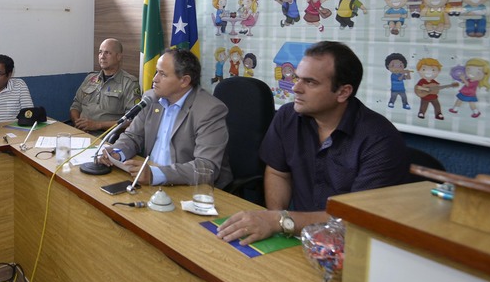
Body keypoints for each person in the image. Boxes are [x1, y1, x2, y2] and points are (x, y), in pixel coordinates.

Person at [216, 41, 408, 245]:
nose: (296, 88)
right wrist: (276, 221)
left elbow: (358, 218)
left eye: (310, 82)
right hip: (298, 238)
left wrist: (280, 221)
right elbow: (278, 173)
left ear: (343, 92)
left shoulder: (380, 140)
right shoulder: (287, 117)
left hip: (353, 246)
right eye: (297, 78)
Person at [99, 48, 232, 188]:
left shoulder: (209, 110)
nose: (154, 79)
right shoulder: (151, 98)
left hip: (188, 187)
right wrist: (117, 153)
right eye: (156, 72)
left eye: (162, 74)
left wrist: (156, 174)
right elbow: (133, 137)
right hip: (148, 180)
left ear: (184, 81)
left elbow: (206, 167)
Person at [69, 38, 140, 133]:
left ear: (118, 56)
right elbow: (75, 106)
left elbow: (132, 120)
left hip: (105, 135)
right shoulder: (90, 78)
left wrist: (97, 125)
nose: (102, 56)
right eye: (100, 52)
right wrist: (77, 123)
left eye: (107, 53)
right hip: (80, 132)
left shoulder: (129, 83)